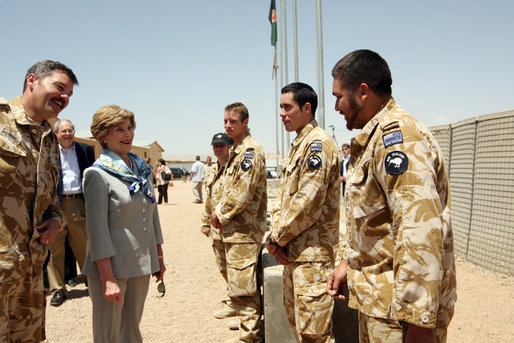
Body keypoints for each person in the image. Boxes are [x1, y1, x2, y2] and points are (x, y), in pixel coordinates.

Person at [327, 49, 456, 343]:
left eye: (338, 96)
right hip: (379, 304)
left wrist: (420, 322)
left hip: (399, 315)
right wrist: (349, 262)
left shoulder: (398, 138)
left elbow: (419, 229)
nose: (336, 106)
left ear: (362, 92)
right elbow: (376, 221)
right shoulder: (375, 139)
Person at [0, 60, 78, 342]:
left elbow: (50, 199)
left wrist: (57, 219)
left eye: (69, 94)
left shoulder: (49, 138)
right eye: (59, 87)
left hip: (30, 277)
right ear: (32, 80)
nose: (64, 98)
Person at [82, 105, 165, 342]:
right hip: (111, 268)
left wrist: (158, 257)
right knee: (108, 335)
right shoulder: (97, 174)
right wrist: (108, 278)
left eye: (130, 128)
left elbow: (152, 215)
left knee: (131, 332)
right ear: (103, 136)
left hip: (141, 264)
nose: (128, 134)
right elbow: (97, 231)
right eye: (119, 130)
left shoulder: (141, 169)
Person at [266, 82, 340, 342]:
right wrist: (277, 238)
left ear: (307, 108)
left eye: (288, 107)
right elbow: (283, 200)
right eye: (281, 108)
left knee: (315, 334)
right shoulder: (299, 144)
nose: (282, 114)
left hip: (313, 257)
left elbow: (306, 204)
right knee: (299, 327)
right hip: (294, 254)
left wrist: (275, 239)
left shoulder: (318, 144)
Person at [210, 102, 267, 343]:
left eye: (233, 121)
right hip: (230, 232)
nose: (227, 125)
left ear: (245, 123)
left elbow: (242, 192)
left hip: (243, 231)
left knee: (243, 287)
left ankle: (250, 336)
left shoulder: (250, 151)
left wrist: (219, 215)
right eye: (225, 121)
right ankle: (249, 322)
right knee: (236, 283)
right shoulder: (236, 151)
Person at [46, 119, 95, 307]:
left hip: (78, 203)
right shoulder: (49, 150)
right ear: (56, 133)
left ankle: (92, 283)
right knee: (54, 249)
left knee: (84, 245)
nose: (67, 134)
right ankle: (58, 289)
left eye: (70, 130)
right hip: (55, 205)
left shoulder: (86, 150)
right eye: (63, 131)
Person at [200, 133, 238, 330]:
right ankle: (233, 300)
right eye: (215, 146)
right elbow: (209, 200)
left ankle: (241, 306)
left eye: (222, 145)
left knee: (236, 269)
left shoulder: (234, 168)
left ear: (230, 147)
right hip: (217, 230)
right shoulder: (213, 170)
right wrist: (205, 223)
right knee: (223, 267)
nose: (218, 149)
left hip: (232, 229)